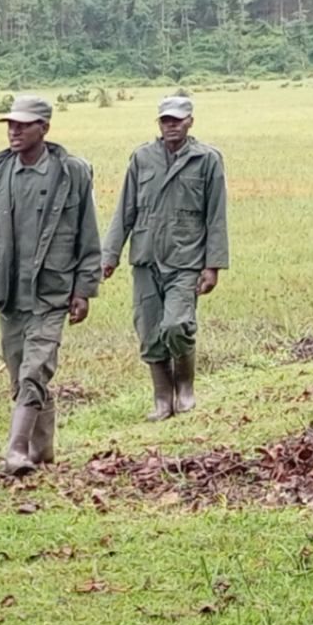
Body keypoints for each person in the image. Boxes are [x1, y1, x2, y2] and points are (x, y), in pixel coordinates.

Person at [0, 96, 101, 477]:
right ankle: (42, 450)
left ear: (44, 128)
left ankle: (15, 450)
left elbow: (88, 232)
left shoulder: (71, 172)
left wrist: (83, 288)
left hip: (52, 291)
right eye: (10, 125)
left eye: (23, 125)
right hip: (10, 293)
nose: (14, 131)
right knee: (20, 375)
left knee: (36, 369)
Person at [102, 95, 230, 419]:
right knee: (148, 330)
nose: (171, 125)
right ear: (159, 123)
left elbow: (216, 217)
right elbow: (125, 210)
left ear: (190, 121)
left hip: (185, 259)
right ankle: (162, 398)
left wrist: (212, 266)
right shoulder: (142, 158)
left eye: (177, 119)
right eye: (165, 120)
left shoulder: (208, 160)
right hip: (146, 257)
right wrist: (110, 255)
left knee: (176, 325)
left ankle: (184, 387)